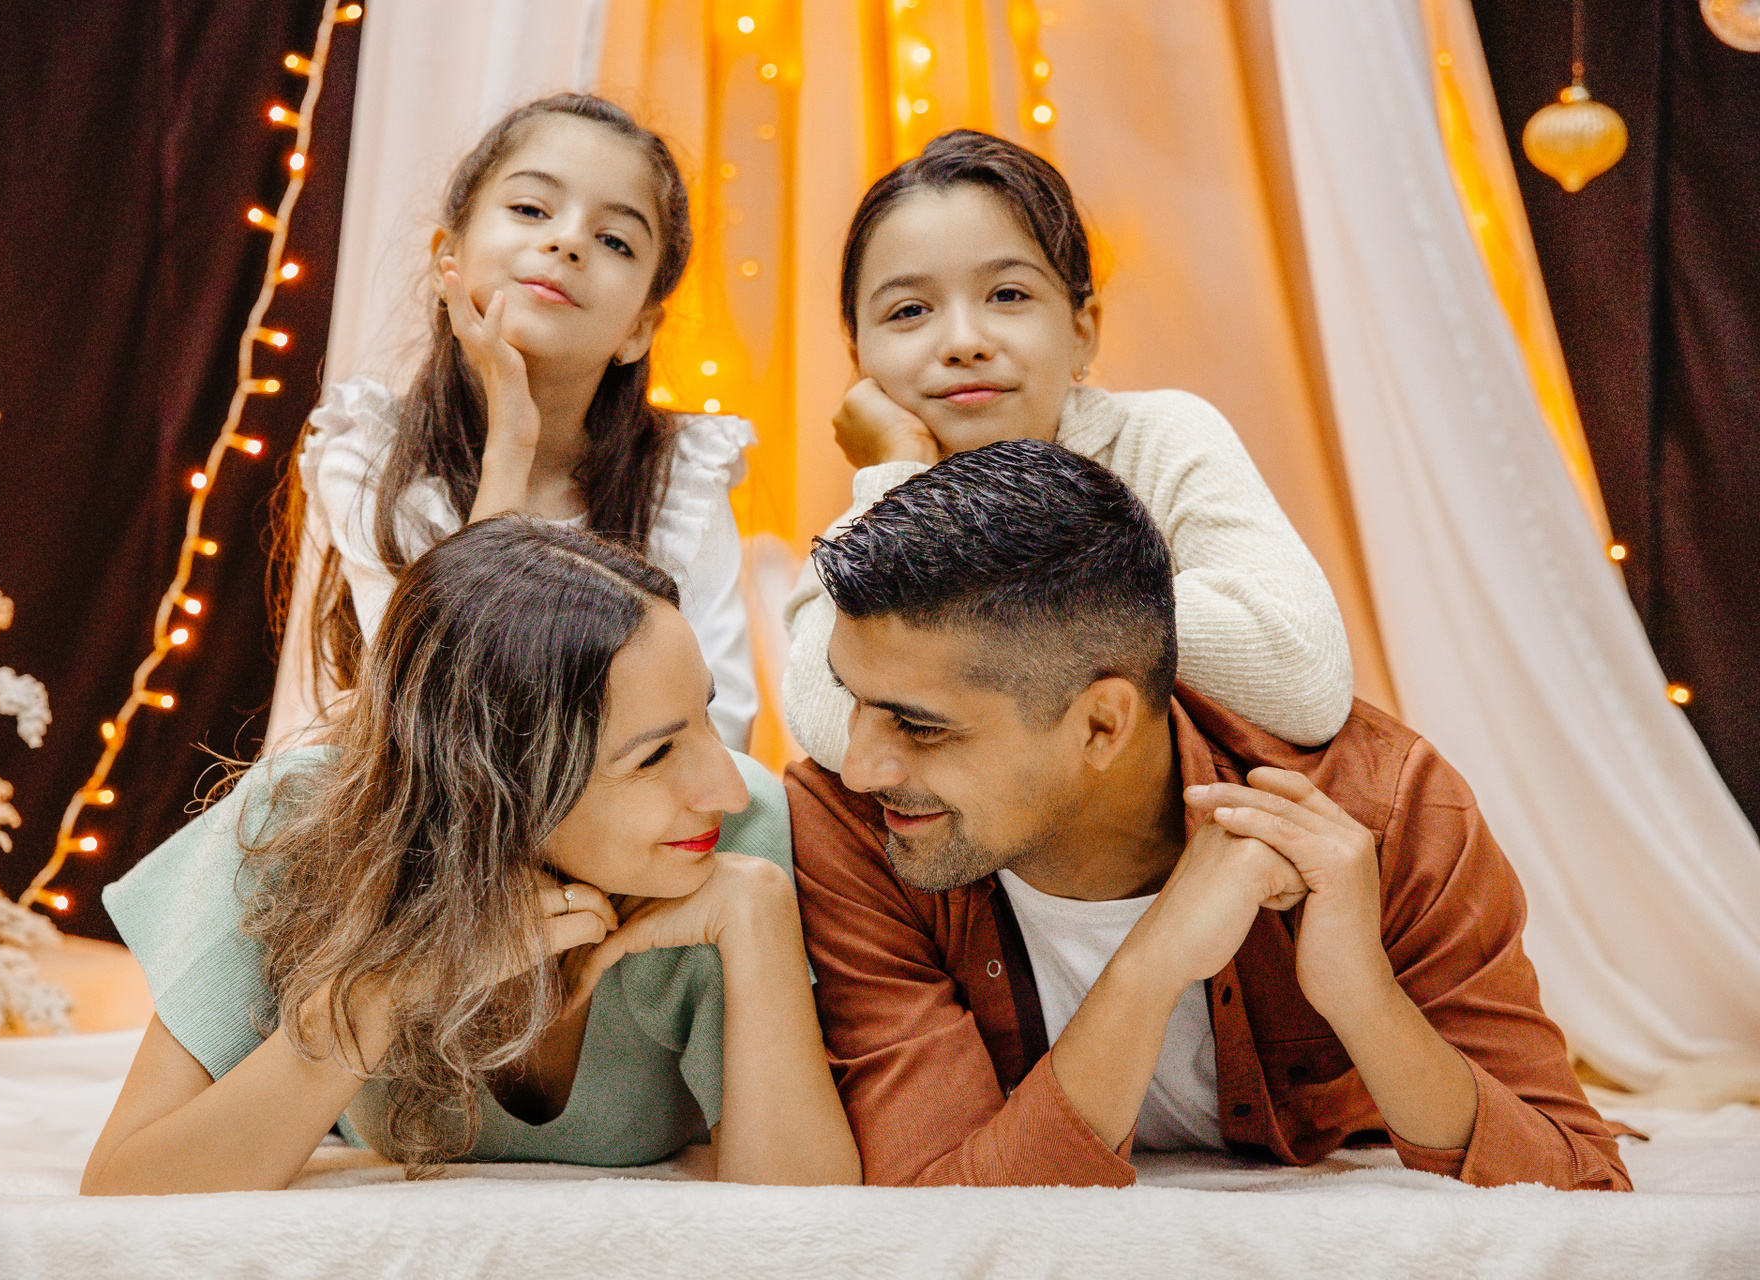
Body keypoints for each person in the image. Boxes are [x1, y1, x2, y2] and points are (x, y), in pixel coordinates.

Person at [789, 438, 1629, 1191]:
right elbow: (935, 1210)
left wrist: (1363, 998)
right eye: (851, 697)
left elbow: (1578, 1181)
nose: (859, 765)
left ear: (1101, 725)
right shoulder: (850, 824)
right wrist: (1149, 968)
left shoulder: (1382, 810)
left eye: (920, 726)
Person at [83, 519, 857, 1194]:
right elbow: (128, 1181)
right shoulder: (302, 826)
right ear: (490, 788)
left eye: (704, 713)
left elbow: (807, 1221)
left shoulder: (732, 844)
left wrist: (756, 917)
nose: (726, 787)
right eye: (654, 756)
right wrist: (386, 990)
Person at [784, 129, 1351, 769]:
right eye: (910, 310)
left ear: (1083, 330)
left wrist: (993, 615)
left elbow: (1304, 681)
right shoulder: (868, 515)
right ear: (859, 357)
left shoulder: (1160, 436)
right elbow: (838, 734)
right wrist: (904, 482)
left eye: (1008, 295)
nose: (964, 341)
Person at [290, 94, 757, 748]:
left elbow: (719, 733)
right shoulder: (370, 453)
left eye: (614, 240)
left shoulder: (680, 479)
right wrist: (510, 446)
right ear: (447, 259)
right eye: (531, 209)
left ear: (639, 329)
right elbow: (440, 720)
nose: (567, 242)